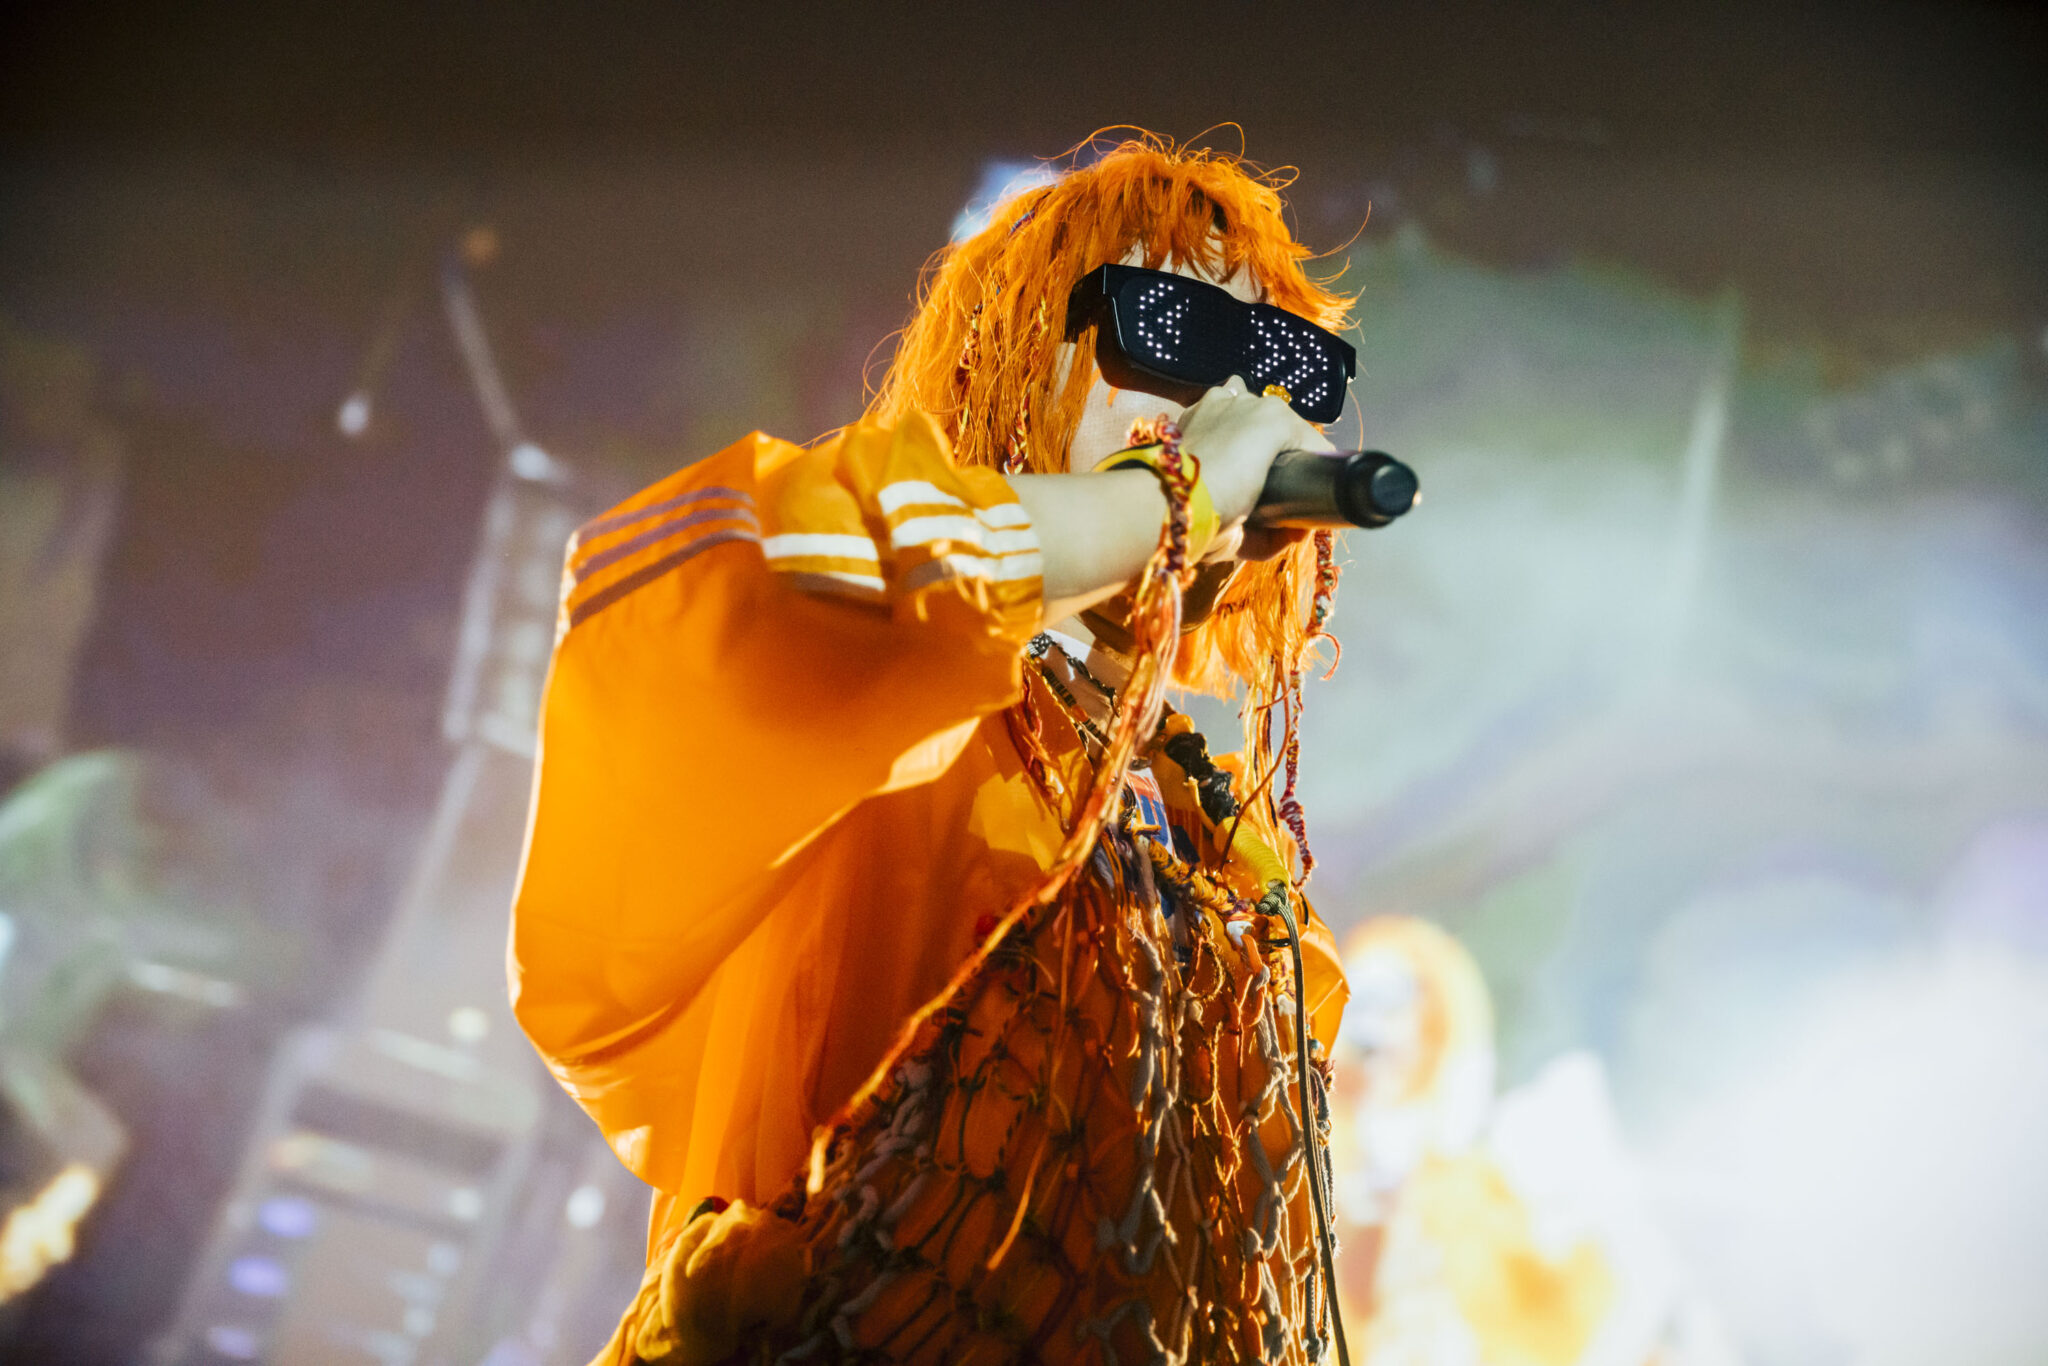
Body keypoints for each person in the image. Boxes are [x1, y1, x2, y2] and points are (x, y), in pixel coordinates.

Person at [510, 134, 1358, 1365]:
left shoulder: (1233, 875)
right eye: (1169, 328)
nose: (1232, 404)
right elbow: (753, 580)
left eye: (1276, 363)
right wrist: (1156, 500)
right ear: (1006, 360)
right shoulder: (908, 719)